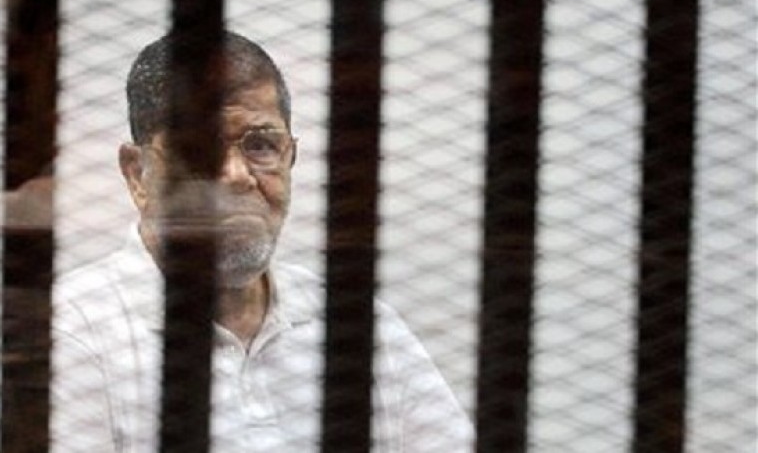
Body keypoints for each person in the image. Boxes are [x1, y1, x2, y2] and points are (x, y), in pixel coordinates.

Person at [52, 31, 473, 452]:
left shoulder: (360, 328)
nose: (236, 175)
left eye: (261, 145)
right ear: (136, 173)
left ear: (290, 156)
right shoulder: (73, 334)